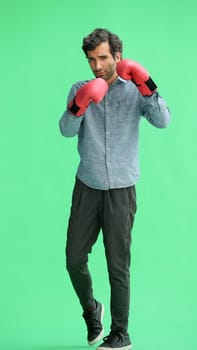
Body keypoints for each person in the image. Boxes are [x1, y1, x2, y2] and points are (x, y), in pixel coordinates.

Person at [59, 28, 170, 350]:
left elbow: (163, 121)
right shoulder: (79, 88)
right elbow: (66, 131)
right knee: (73, 258)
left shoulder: (135, 90)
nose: (96, 65)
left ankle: (120, 333)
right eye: (91, 59)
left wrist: (146, 84)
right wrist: (79, 104)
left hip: (122, 188)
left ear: (118, 57)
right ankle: (92, 310)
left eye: (103, 58)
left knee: (117, 264)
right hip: (88, 185)